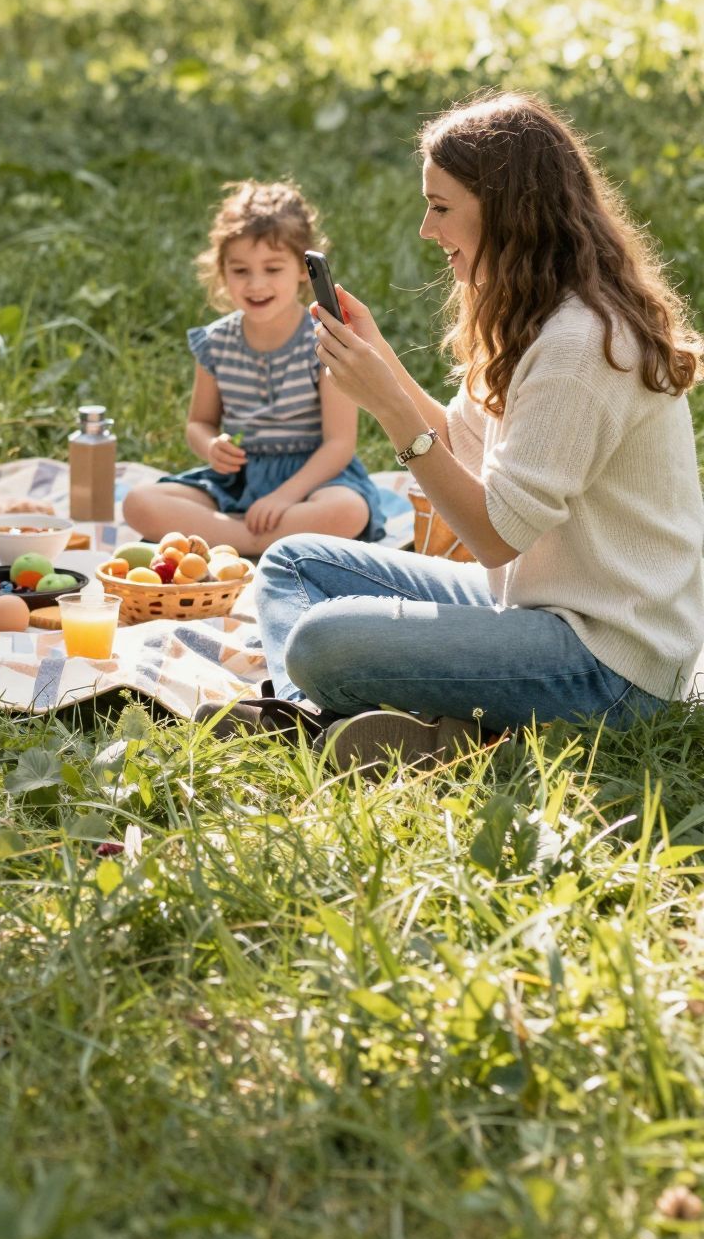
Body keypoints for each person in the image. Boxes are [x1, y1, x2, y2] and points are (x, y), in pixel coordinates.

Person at [252, 92, 704, 765]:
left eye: (440, 207)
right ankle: (330, 723)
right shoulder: (536, 311)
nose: (425, 231)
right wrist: (384, 369)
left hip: (610, 665)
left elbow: (494, 536)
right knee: (295, 563)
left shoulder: (580, 344)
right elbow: (463, 443)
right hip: (536, 608)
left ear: (509, 210)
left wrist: (394, 413)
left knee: (320, 642)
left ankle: (327, 723)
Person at [122, 181, 386, 557]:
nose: (256, 283)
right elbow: (199, 423)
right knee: (138, 501)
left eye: (272, 268)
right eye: (240, 270)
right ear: (222, 271)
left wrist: (283, 497)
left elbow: (339, 444)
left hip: (310, 482)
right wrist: (211, 446)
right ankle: (263, 543)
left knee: (347, 510)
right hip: (237, 482)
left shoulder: (324, 340)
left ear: (301, 269)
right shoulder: (216, 343)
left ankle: (228, 540)